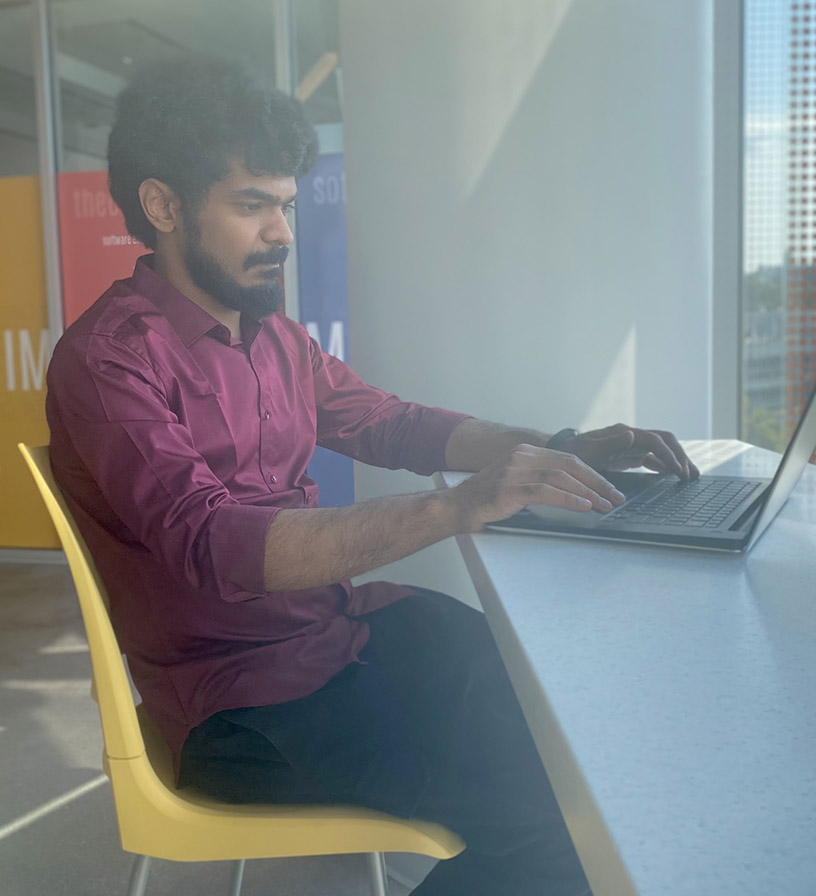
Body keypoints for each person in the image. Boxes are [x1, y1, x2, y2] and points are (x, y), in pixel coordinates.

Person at [46, 57, 698, 896]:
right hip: (244, 707)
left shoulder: (271, 335)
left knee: (572, 716)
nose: (282, 231)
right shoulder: (108, 360)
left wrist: (552, 446)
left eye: (284, 204)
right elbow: (220, 545)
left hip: (339, 631)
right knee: (558, 822)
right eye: (252, 206)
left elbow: (389, 421)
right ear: (164, 205)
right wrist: (459, 505)